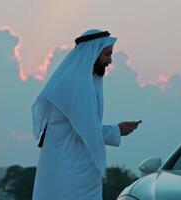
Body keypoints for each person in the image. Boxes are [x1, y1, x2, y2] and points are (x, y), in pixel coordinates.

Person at [31, 29, 139, 200]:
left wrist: (117, 130)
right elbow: (87, 129)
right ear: (93, 53)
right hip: (69, 169)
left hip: (75, 166)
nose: (110, 60)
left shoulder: (85, 81)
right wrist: (117, 130)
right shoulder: (77, 84)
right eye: (107, 54)